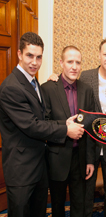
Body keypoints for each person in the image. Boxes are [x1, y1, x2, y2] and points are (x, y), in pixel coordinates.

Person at [0, 32, 84, 217]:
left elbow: (43, 119)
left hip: (39, 166)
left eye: (38, 57)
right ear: (20, 54)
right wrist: (65, 129)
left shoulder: (33, 81)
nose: (34, 62)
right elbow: (32, 125)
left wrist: (64, 123)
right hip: (21, 170)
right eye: (30, 56)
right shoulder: (11, 87)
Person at [48, 36, 106, 217]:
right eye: (105, 54)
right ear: (99, 55)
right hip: (88, 147)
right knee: (85, 194)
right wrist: (53, 77)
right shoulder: (86, 77)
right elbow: (66, 88)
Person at [41, 46, 96, 217]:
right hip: (57, 157)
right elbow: (43, 123)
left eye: (77, 62)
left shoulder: (87, 90)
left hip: (80, 158)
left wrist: (90, 160)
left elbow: (91, 129)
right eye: (70, 62)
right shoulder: (48, 89)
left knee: (78, 204)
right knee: (57, 205)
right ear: (61, 63)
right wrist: (65, 130)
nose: (74, 66)